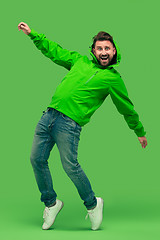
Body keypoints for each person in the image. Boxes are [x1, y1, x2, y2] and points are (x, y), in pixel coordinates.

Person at [18, 22, 148, 231]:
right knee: (36, 159)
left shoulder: (112, 79)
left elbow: (127, 108)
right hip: (48, 116)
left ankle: (92, 203)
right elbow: (55, 51)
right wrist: (33, 35)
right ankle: (51, 203)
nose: (103, 52)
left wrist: (139, 131)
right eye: (99, 48)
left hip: (69, 125)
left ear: (114, 51)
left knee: (70, 166)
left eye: (107, 48)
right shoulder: (79, 61)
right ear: (93, 51)